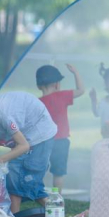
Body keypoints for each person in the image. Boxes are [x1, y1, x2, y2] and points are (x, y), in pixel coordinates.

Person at [0, 67, 57, 213]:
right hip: (27, 137)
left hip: (39, 136)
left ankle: (54, 216)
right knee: (17, 179)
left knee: (26, 180)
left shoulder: (4, 115)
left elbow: (23, 146)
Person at [36, 64, 85, 193]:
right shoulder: (62, 95)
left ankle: (38, 194)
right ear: (57, 84)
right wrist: (75, 73)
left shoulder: (37, 102)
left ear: (39, 86)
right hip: (61, 142)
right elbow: (81, 90)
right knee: (58, 173)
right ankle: (56, 198)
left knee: (39, 170)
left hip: (44, 141)